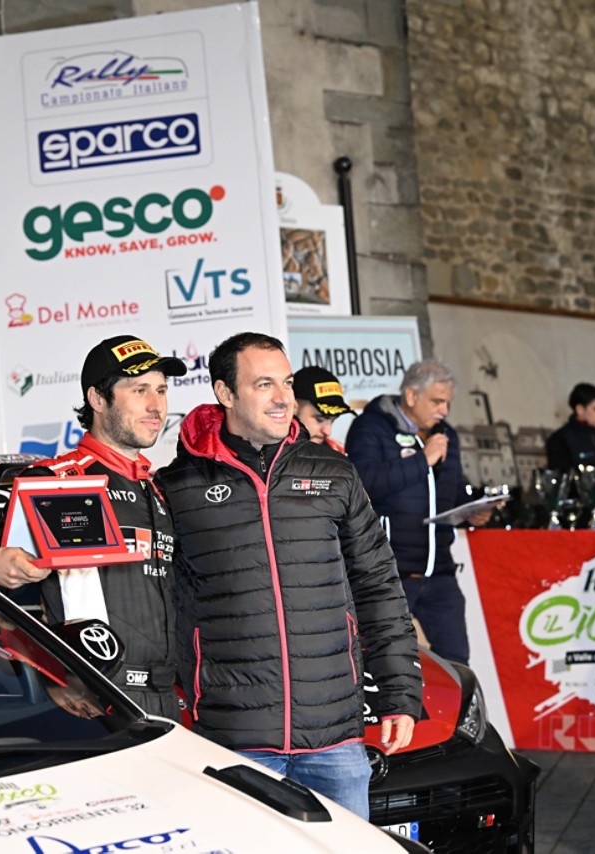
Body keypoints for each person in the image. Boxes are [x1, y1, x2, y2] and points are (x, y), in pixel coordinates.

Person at [156, 331, 421, 820]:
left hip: (334, 738)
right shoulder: (178, 487)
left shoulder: (335, 473)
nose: (283, 398)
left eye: (287, 383)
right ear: (225, 393)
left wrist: (400, 693)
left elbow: (378, 586)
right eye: (264, 385)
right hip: (236, 742)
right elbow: (159, 607)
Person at [0, 335, 187, 718]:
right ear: (98, 399)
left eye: (161, 390)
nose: (156, 406)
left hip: (170, 696)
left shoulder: (159, 490)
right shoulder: (59, 481)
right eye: (140, 390)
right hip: (97, 698)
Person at [345, 359, 491, 665]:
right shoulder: (370, 427)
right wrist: (422, 459)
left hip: (440, 571)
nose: (444, 411)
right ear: (411, 396)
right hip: (388, 572)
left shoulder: (447, 434)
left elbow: (453, 489)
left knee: (456, 663)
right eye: (437, 401)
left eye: (448, 403)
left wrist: (473, 509)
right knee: (384, 662)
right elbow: (363, 484)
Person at [292, 365, 352, 452]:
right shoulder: (272, 453)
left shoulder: (337, 453)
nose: (328, 431)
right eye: (319, 420)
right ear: (293, 407)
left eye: (332, 421)